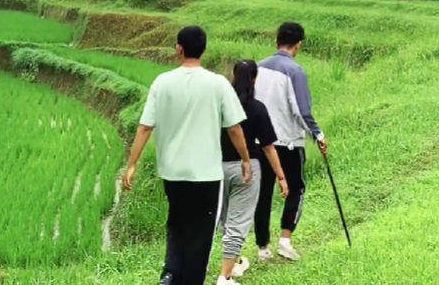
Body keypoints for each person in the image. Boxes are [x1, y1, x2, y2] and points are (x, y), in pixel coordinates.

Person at [122, 26, 252, 285]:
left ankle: (170, 273)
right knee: (201, 235)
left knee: (177, 224)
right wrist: (246, 160)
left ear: (178, 49)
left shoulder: (162, 82)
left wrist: (132, 164)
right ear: (203, 50)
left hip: (173, 173)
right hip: (206, 175)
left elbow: (145, 126)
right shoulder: (218, 83)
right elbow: (235, 128)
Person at [253, 21, 327, 262]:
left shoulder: (258, 67)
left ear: (276, 42)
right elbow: (302, 111)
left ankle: (262, 248)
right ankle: (285, 240)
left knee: (262, 194)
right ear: (298, 45)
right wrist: (318, 135)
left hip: (260, 142)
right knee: (296, 188)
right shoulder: (295, 71)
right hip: (288, 142)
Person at [216, 60, 289, 285]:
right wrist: (281, 176)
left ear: (233, 76)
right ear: (254, 79)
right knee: (238, 222)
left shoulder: (220, 104)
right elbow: (268, 147)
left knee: (226, 220)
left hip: (217, 167)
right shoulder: (257, 108)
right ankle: (224, 277)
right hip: (246, 169)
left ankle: (235, 264)